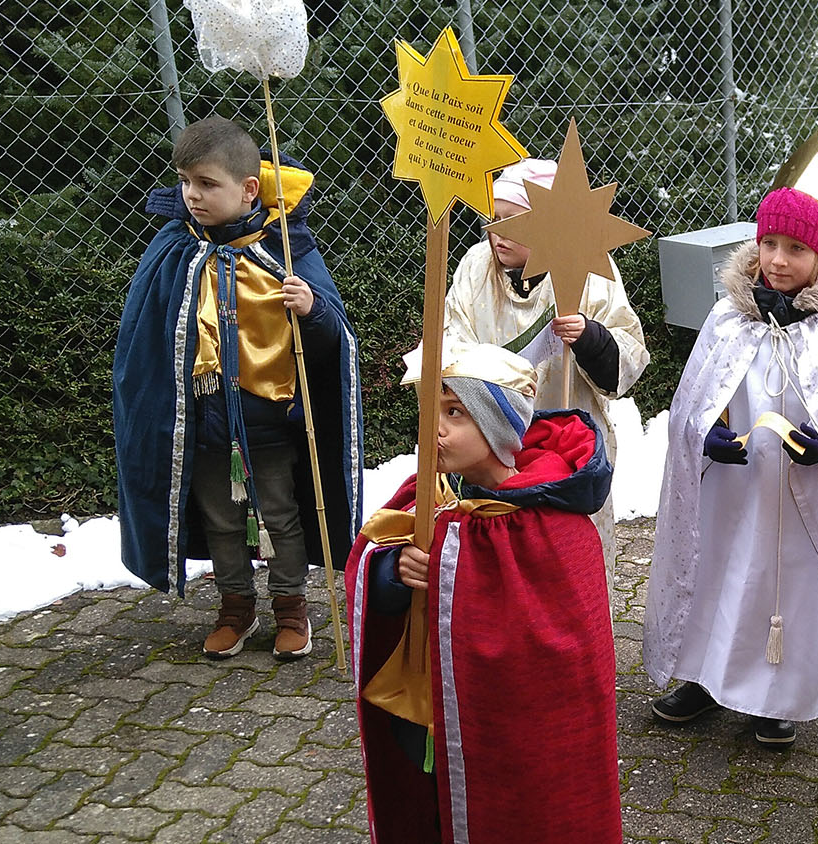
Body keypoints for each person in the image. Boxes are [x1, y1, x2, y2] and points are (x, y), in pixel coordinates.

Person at [642, 144, 818, 747]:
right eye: (770, 244)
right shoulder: (727, 320)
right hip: (734, 489)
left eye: (797, 249)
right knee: (723, 573)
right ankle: (706, 677)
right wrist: (705, 436)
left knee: (790, 584)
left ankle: (777, 695)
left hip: (805, 497)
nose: (779, 261)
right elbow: (689, 407)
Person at [343, 342, 620, 843]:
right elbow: (372, 576)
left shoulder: (550, 525)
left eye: (455, 413)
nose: (437, 428)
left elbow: (562, 650)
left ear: (497, 426)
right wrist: (393, 573)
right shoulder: (427, 495)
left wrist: (458, 576)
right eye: (432, 412)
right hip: (422, 710)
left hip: (505, 730)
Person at [114, 115, 362, 660]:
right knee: (220, 518)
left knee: (280, 515)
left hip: (269, 420)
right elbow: (145, 340)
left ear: (249, 188)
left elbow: (336, 339)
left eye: (207, 184)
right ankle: (236, 607)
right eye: (185, 182)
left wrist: (312, 309)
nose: (192, 196)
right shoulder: (175, 249)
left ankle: (292, 608)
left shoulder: (288, 249)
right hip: (203, 422)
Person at [434, 158, 651, 567]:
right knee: (495, 553)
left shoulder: (587, 269)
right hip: (487, 445)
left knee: (562, 555)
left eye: (515, 222)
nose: (498, 232)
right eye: (494, 218)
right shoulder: (475, 266)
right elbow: (453, 341)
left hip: (564, 440)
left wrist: (590, 338)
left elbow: (629, 355)